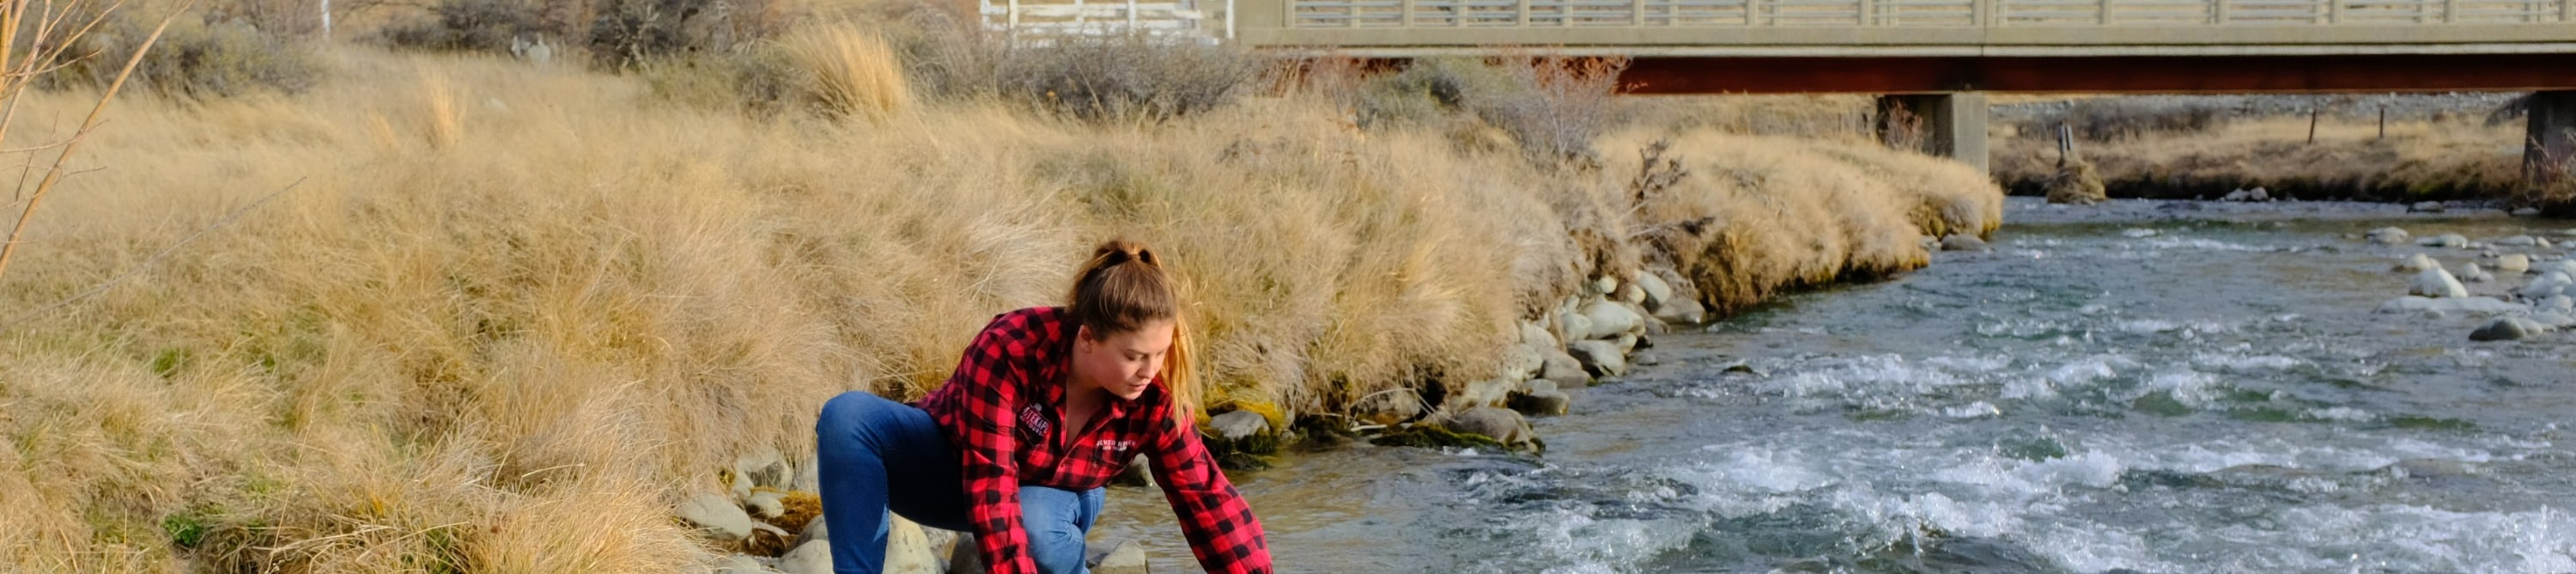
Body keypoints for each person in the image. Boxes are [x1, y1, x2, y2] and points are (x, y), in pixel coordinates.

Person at [815, 239, 1273, 574]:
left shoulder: (1157, 391)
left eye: (1160, 353)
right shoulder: (1011, 348)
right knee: (848, 416)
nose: (1149, 370)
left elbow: (1206, 499)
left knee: (1034, 521)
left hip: (1057, 499)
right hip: (957, 471)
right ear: (1087, 337)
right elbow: (991, 485)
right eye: (1133, 356)